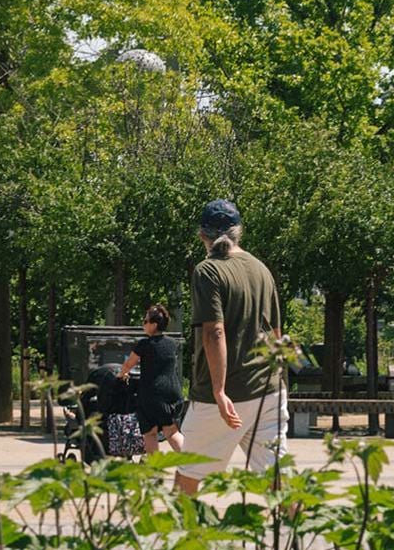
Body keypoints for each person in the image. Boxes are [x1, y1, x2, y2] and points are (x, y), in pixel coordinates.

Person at [174, 199, 284, 495]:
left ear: (202, 236)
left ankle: (185, 539)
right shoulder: (262, 270)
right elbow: (275, 333)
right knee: (277, 483)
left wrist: (219, 391)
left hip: (221, 399)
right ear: (239, 233)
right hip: (268, 391)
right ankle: (297, 536)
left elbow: (214, 332)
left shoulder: (207, 271)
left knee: (187, 479)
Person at [118, 304, 184, 454]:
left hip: (152, 394)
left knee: (150, 433)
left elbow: (128, 364)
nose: (143, 324)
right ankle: (192, 464)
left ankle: (154, 470)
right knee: (171, 432)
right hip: (173, 392)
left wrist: (121, 375)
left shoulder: (144, 345)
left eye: (145, 321)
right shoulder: (172, 344)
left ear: (154, 325)